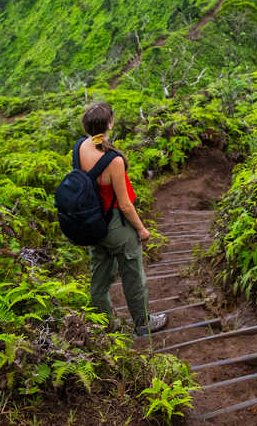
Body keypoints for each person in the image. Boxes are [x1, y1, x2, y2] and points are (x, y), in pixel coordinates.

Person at [77, 101, 166, 337]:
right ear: (110, 124)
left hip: (92, 224)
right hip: (116, 225)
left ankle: (105, 326)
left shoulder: (79, 148)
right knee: (132, 274)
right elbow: (125, 205)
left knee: (99, 278)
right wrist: (142, 230)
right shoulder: (113, 160)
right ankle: (143, 323)